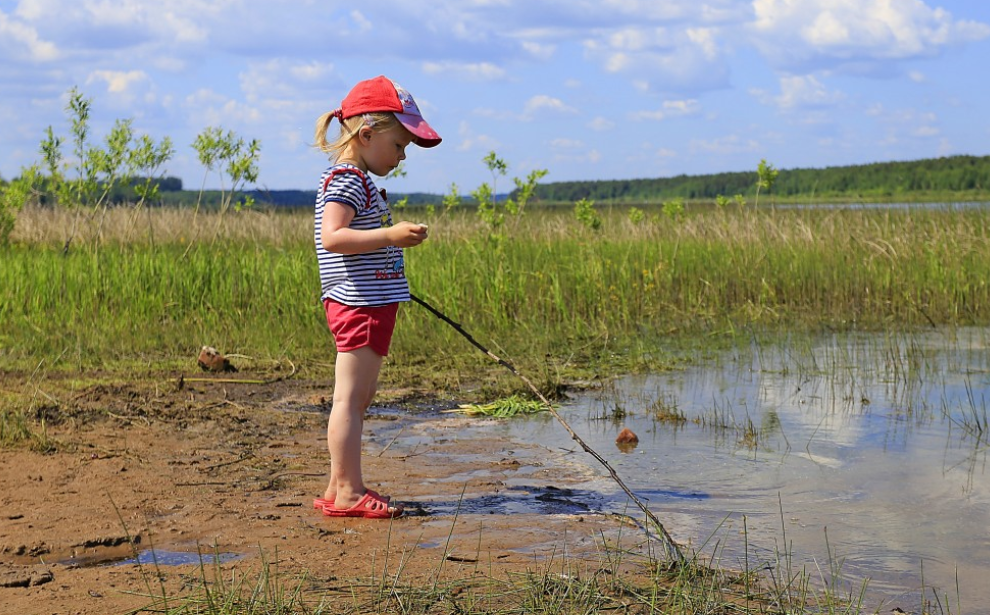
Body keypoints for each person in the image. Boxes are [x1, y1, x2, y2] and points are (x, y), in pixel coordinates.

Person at [310, 76, 441, 518]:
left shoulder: (359, 179)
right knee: (350, 398)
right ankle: (347, 490)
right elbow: (333, 236)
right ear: (366, 135)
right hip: (358, 304)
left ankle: (337, 485)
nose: (403, 156)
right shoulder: (347, 180)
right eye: (400, 145)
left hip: (370, 302)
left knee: (358, 397)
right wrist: (390, 234)